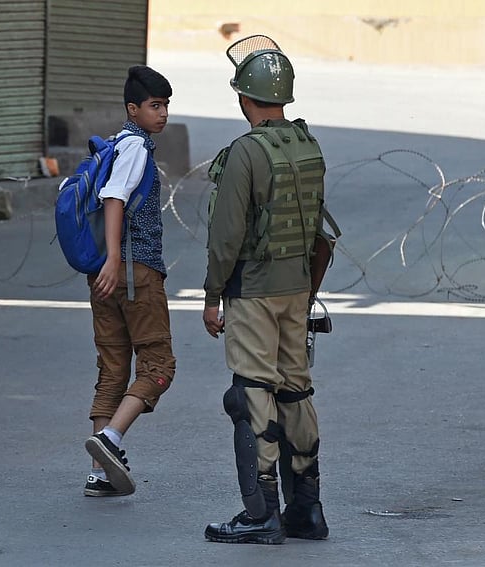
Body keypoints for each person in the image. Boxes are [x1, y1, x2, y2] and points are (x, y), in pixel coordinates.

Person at [202, 36, 330, 543]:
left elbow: (227, 233)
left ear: (243, 98)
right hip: (297, 288)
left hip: (253, 290)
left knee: (252, 393)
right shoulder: (308, 145)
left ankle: (261, 513)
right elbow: (321, 229)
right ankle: (308, 509)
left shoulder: (246, 152)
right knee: (295, 390)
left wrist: (213, 296)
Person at [82, 66, 176, 497]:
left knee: (113, 370)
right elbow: (114, 198)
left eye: (166, 105)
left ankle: (101, 474)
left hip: (104, 275)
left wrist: (107, 262)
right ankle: (111, 439)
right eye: (155, 106)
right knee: (159, 367)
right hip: (133, 274)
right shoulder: (135, 147)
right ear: (132, 109)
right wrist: (118, 259)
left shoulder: (114, 145)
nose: (163, 114)